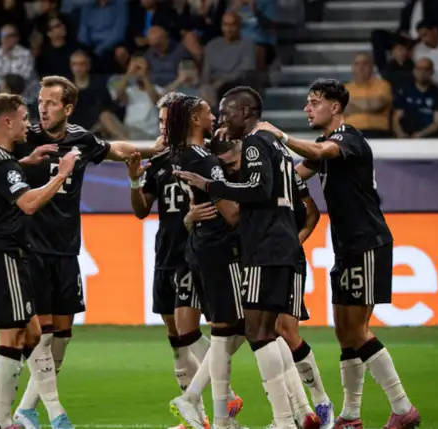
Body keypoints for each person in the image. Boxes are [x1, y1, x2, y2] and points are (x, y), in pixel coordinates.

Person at [0, 76, 159, 429]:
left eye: (51, 103)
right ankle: (41, 412)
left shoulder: (81, 139)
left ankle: (2, 405)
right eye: (40, 101)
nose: (41, 108)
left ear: (68, 108)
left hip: (65, 248)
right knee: (32, 333)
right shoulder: (23, 135)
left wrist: (154, 149)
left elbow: (117, 150)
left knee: (60, 336)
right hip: (30, 249)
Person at [253, 79, 420, 429]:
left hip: (366, 243)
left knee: (357, 331)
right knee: (345, 333)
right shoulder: (322, 146)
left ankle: (402, 406)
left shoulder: (348, 139)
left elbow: (321, 154)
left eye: (314, 102)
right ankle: (351, 415)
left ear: (335, 107)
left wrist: (279, 136)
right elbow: (293, 174)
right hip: (346, 247)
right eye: (307, 102)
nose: (307, 108)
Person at [175, 88, 321, 429]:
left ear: (245, 111)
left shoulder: (255, 142)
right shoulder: (277, 145)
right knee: (265, 331)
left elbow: (258, 189)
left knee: (258, 333)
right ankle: (298, 412)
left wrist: (211, 186)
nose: (222, 119)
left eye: (227, 112)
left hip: (264, 247)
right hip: (282, 244)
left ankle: (284, 419)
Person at [126, 92, 243, 429]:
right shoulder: (162, 161)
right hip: (167, 252)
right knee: (177, 336)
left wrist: (193, 220)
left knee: (200, 329)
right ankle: (200, 416)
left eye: (167, 121)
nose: (163, 127)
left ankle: (220, 398)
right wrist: (134, 179)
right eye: (160, 122)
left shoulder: (205, 157)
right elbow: (141, 209)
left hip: (195, 253)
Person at [0, 93, 78, 429]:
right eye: (23, 117)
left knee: (32, 334)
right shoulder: (3, 164)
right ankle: (0, 419)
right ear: (7, 121)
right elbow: (28, 203)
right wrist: (61, 175)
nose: (29, 123)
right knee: (12, 338)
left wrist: (25, 163)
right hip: (4, 258)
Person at [165, 96, 246, 429]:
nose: (214, 116)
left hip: (200, 247)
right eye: (208, 112)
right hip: (218, 249)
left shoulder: (182, 154)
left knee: (229, 329)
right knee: (236, 328)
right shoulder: (204, 159)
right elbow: (231, 213)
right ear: (195, 119)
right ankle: (194, 398)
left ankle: (221, 416)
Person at [200, 12, 255, 107]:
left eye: (232, 25)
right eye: (225, 25)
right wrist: (207, 85)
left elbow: (244, 72)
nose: (228, 29)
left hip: (235, 86)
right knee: (204, 90)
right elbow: (206, 73)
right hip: (213, 87)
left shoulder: (247, 45)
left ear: (239, 26)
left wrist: (221, 81)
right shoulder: (212, 45)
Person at [68, 50, 127, 139]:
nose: (78, 68)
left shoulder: (100, 83)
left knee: (105, 116)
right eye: (74, 64)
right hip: (79, 131)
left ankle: (127, 144)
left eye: (82, 64)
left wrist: (100, 124)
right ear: (70, 66)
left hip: (103, 126)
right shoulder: (67, 88)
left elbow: (111, 107)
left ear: (88, 66)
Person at [110, 55, 163, 139]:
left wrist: (144, 76)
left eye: (140, 68)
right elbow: (118, 95)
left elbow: (155, 101)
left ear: (148, 71)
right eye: (136, 69)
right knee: (106, 116)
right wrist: (129, 72)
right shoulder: (129, 90)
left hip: (149, 133)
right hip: (130, 131)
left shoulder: (158, 89)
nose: (138, 71)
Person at [392, 57, 438, 138]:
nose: (422, 72)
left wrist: (420, 135)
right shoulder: (404, 90)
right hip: (405, 136)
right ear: (414, 71)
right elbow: (396, 118)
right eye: (419, 69)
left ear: (432, 71)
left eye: (426, 69)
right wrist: (400, 134)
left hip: (428, 138)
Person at [344, 53, 393, 138]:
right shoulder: (345, 88)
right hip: (350, 133)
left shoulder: (383, 85)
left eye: (365, 63)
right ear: (352, 68)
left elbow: (375, 105)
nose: (361, 67)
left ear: (372, 67)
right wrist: (367, 103)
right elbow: (342, 110)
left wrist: (350, 102)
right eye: (357, 64)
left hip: (378, 132)